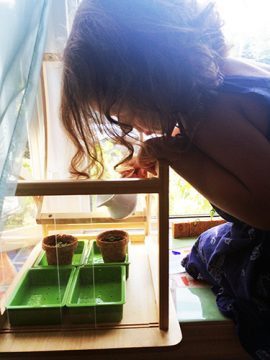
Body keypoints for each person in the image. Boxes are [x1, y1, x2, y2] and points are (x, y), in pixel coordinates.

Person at [60, 1, 270, 358]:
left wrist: (178, 155)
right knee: (210, 245)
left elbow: (264, 208)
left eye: (121, 114)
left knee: (211, 254)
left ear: (147, 80)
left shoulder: (211, 115)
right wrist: (169, 147)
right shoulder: (229, 76)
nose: (130, 127)